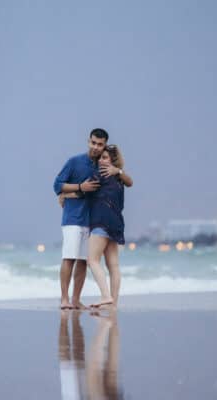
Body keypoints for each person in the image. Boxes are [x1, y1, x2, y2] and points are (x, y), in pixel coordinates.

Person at [59, 144, 133, 308]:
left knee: (92, 260)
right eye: (100, 157)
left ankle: (106, 296)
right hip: (117, 223)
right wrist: (119, 171)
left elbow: (84, 191)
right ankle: (113, 302)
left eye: (105, 157)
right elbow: (131, 182)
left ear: (112, 160)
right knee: (113, 265)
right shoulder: (118, 178)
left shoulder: (101, 174)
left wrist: (65, 194)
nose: (100, 160)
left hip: (101, 222)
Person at [53, 128, 108, 310]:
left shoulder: (103, 166)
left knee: (84, 261)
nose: (96, 147)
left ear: (104, 146)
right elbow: (57, 185)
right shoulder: (74, 161)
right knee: (69, 258)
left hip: (92, 221)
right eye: (93, 143)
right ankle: (64, 299)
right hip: (73, 219)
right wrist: (79, 187)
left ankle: (76, 300)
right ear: (88, 141)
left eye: (100, 144)